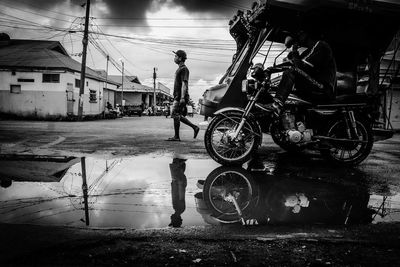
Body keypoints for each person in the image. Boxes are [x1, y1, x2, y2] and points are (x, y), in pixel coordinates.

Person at [262, 30, 337, 117]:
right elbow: (293, 64)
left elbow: (300, 68)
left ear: (307, 34)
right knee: (276, 85)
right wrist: (269, 70)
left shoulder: (320, 45)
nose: (298, 37)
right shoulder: (308, 51)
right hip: (313, 86)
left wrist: (294, 51)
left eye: (300, 34)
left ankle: (277, 105)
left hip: (323, 88)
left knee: (291, 71)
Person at [166, 50, 200, 141]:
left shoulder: (184, 69)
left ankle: (177, 136)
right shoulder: (179, 69)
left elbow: (184, 84)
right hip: (178, 95)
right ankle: (194, 127)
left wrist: (182, 97)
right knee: (177, 115)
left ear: (180, 58)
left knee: (175, 114)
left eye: (176, 56)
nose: (174, 58)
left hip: (180, 96)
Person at [168, 156, 187, 227]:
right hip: (179, 183)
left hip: (177, 184)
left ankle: (179, 161)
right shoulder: (179, 209)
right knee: (176, 170)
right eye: (172, 220)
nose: (170, 218)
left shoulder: (178, 209)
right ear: (176, 218)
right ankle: (180, 161)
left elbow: (174, 195)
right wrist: (180, 183)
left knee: (177, 170)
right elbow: (181, 195)